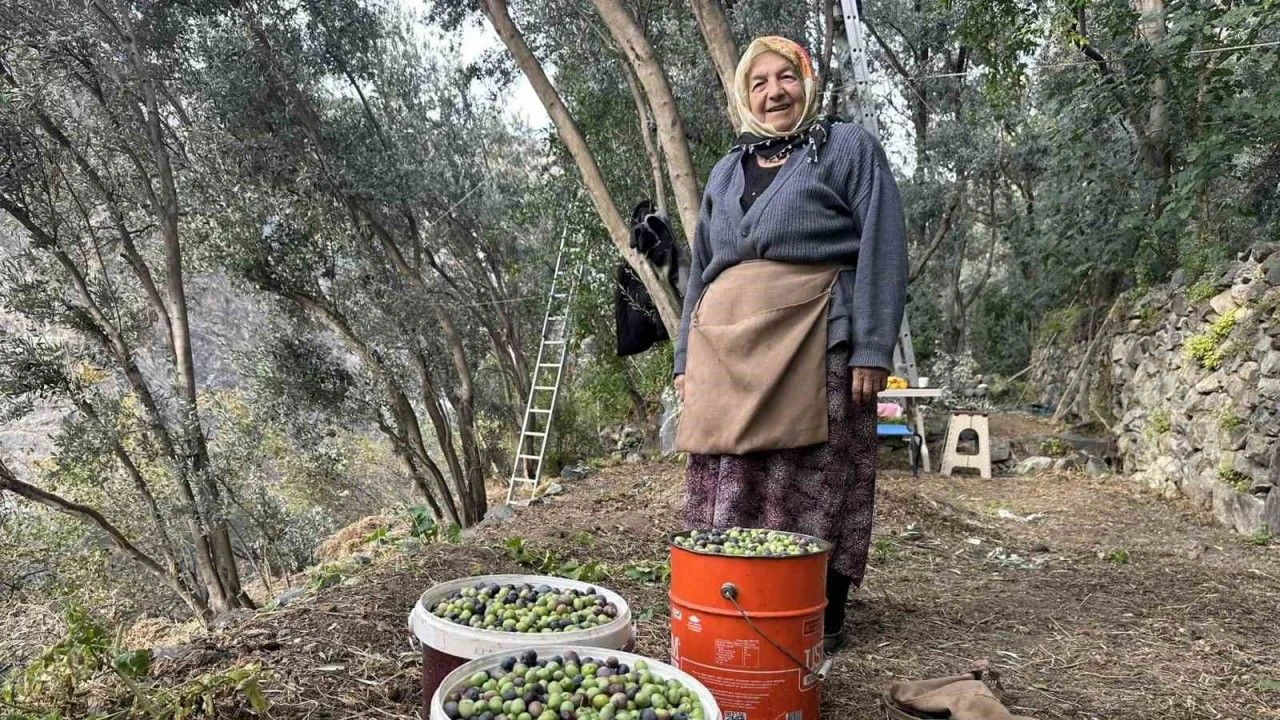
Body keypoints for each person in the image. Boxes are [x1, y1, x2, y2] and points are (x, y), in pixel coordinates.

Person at [672, 36, 908, 654]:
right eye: (759, 83)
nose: (774, 92)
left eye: (786, 78)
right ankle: (736, 596)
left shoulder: (846, 149)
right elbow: (701, 268)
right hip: (724, 347)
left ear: (808, 82)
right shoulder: (727, 169)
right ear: (744, 95)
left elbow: (883, 241)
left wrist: (872, 348)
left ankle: (812, 612)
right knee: (734, 468)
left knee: (813, 475)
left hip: (816, 334)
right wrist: (683, 359)